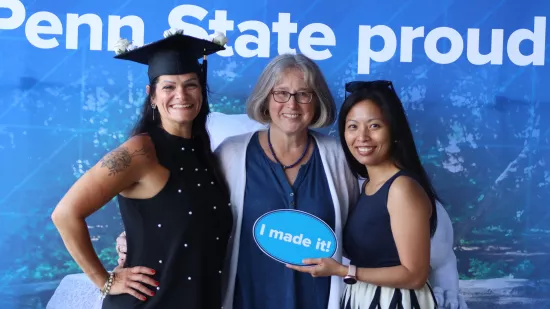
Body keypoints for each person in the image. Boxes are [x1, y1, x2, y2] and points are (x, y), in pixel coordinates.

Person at [50, 31, 233, 309]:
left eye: (191, 85)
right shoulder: (140, 152)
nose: (181, 95)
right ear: (152, 95)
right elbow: (65, 214)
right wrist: (105, 281)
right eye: (169, 87)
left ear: (201, 89)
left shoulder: (202, 151)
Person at [287, 80, 438, 308]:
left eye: (374, 126)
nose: (362, 137)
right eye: (353, 126)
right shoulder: (367, 186)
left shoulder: (401, 188)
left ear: (394, 131)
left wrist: (344, 270)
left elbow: (415, 275)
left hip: (396, 302)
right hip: (363, 298)